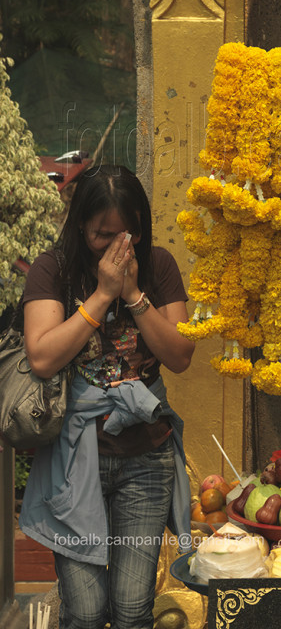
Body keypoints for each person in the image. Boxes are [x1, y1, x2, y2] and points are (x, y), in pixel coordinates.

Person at [19, 165, 194, 629]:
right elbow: (41, 357)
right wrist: (101, 295)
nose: (119, 247)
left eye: (128, 233)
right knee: (86, 610)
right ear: (80, 225)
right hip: (75, 462)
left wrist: (134, 294)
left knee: (134, 608)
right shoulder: (52, 269)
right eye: (103, 235)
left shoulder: (158, 265)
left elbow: (180, 355)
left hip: (147, 460)